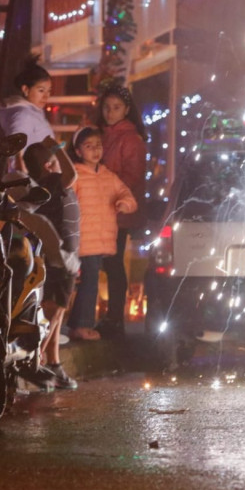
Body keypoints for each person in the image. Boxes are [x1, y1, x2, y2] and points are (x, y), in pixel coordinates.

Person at [66, 127, 137, 341]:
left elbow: (128, 196)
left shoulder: (109, 176)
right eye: (89, 146)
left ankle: (77, 324)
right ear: (78, 151)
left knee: (89, 279)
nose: (95, 150)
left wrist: (124, 204)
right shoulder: (75, 176)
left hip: (100, 240)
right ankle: (82, 325)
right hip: (83, 239)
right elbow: (65, 203)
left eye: (98, 145)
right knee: (89, 280)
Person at [22, 136, 81, 389]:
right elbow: (72, 174)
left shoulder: (42, 186)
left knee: (57, 313)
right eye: (55, 161)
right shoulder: (53, 182)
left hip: (62, 257)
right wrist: (57, 146)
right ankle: (37, 365)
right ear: (48, 166)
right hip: (60, 259)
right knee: (53, 311)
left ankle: (54, 363)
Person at [93, 85, 147, 338]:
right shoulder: (102, 135)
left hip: (117, 210)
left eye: (116, 108)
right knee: (104, 263)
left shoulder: (130, 139)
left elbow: (132, 177)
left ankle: (115, 318)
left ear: (126, 110)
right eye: (106, 107)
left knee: (112, 264)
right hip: (100, 209)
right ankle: (111, 317)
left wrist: (107, 190)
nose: (110, 113)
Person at [0, 56, 54, 170]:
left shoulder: (34, 112)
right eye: (41, 90)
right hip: (31, 179)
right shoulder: (23, 115)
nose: (46, 96)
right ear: (26, 89)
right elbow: (16, 151)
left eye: (49, 91)